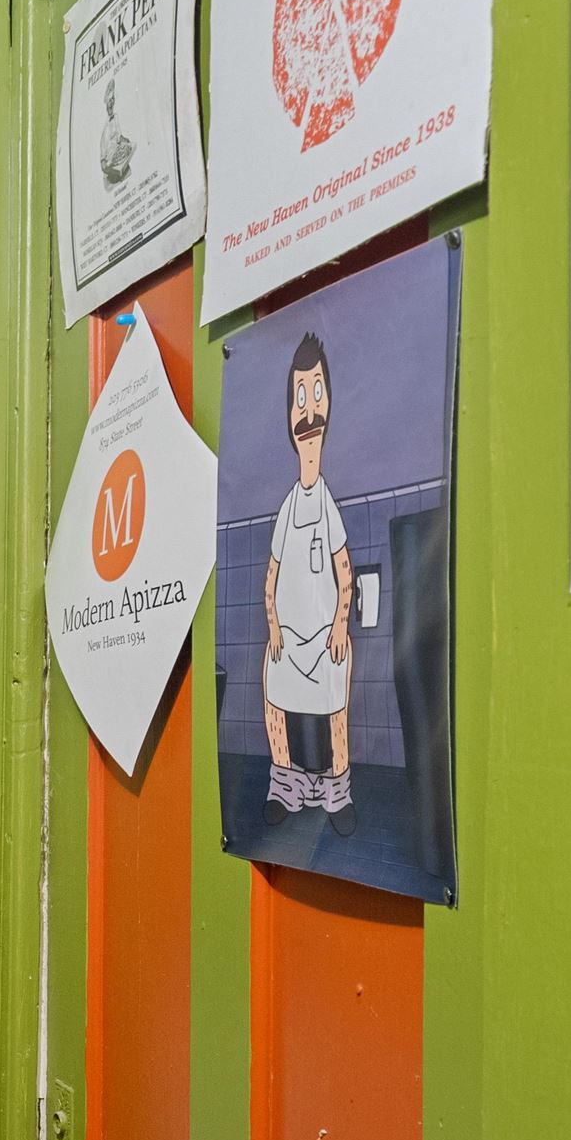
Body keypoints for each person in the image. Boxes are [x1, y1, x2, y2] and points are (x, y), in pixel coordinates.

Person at [263, 331, 356, 833]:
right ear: (289, 414)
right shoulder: (286, 510)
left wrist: (339, 626)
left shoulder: (327, 503)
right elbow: (271, 577)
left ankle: (338, 793)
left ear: (329, 403)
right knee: (272, 692)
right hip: (289, 640)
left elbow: (345, 573)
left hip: (324, 640)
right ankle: (286, 786)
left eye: (316, 392)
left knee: (336, 699)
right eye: (301, 396)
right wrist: (274, 628)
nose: (309, 410)